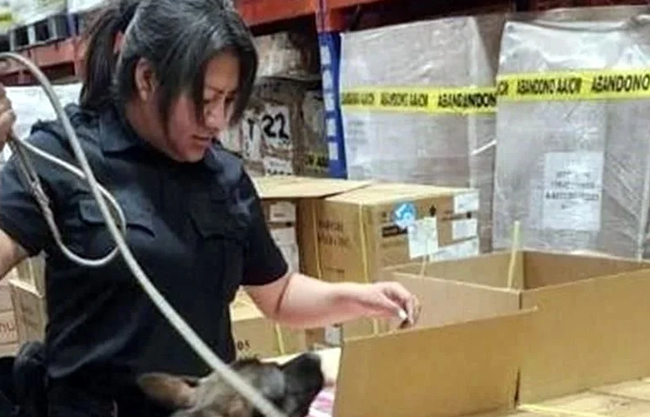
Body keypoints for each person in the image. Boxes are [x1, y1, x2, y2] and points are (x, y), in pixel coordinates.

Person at [0, 0, 421, 416]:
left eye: (229, 100)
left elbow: (279, 295)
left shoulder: (224, 177)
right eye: (205, 99)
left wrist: (363, 298)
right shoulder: (63, 158)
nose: (218, 119)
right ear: (146, 77)